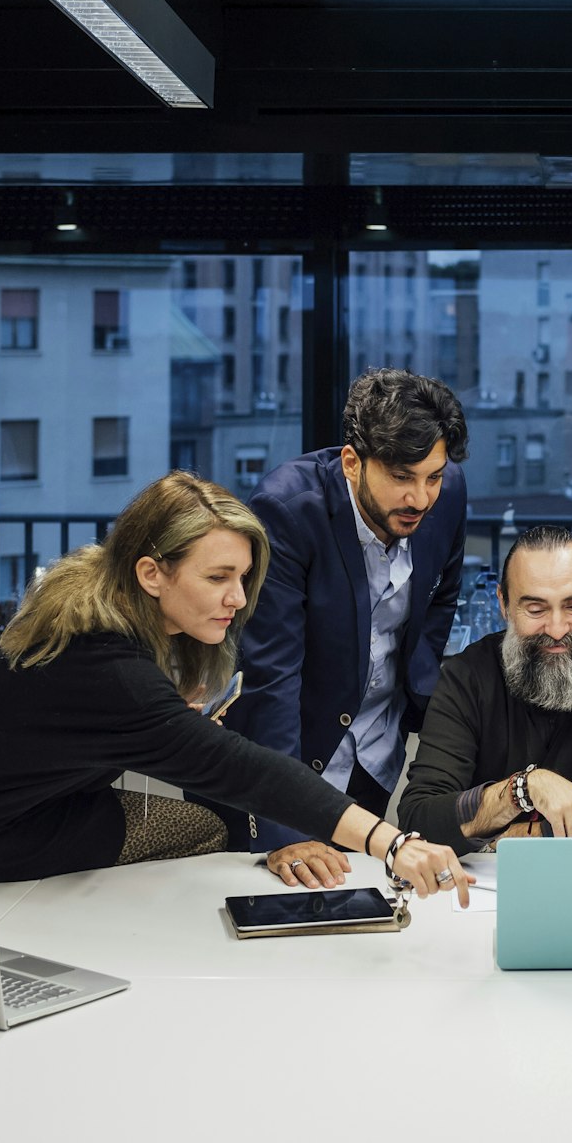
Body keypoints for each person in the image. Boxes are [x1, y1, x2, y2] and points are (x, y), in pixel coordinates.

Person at [0, 471, 469, 904]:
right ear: (152, 573)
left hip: (10, 804)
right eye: (218, 578)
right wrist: (395, 843)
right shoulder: (110, 668)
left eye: (244, 578)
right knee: (207, 827)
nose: (239, 599)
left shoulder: (97, 600)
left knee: (216, 826)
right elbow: (248, 770)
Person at [211, 368, 470, 886]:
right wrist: (285, 831)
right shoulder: (286, 510)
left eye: (433, 477)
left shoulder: (449, 494)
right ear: (352, 462)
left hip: (375, 754)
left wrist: (419, 694)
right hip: (285, 758)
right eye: (402, 477)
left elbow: (440, 598)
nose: (420, 498)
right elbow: (271, 678)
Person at [397, 526, 572, 848]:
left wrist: (525, 837)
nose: (556, 630)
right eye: (536, 610)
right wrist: (522, 790)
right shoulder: (466, 674)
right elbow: (419, 818)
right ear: (504, 603)